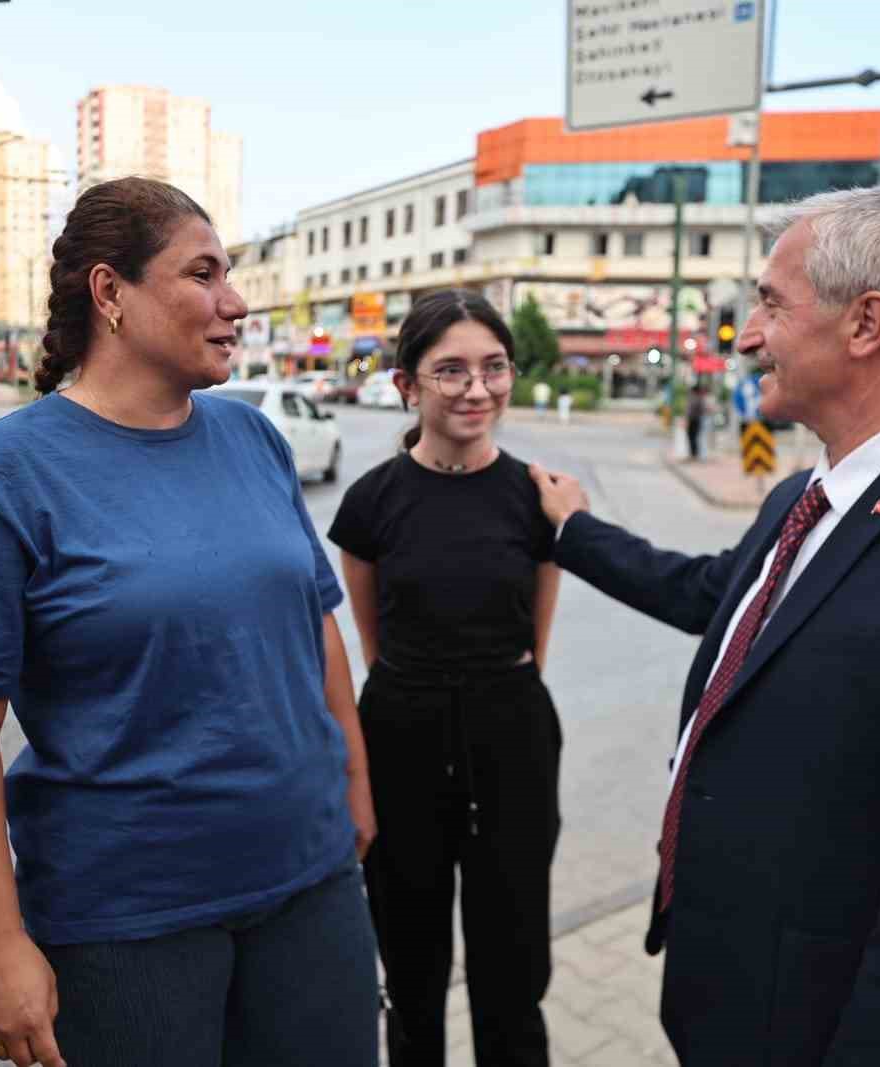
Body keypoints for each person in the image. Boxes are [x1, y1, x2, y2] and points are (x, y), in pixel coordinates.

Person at [528, 187, 880, 1067]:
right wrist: (575, 531)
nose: (747, 335)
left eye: (769, 302)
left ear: (865, 323)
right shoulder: (806, 496)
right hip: (725, 997)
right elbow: (713, 597)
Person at [0, 177, 379, 1067]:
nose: (235, 301)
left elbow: (316, 628)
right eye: (203, 273)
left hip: (310, 882)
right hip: (126, 922)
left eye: (230, 273)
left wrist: (352, 781)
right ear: (110, 292)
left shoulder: (254, 439)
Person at [329, 290, 563, 1067]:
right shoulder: (370, 503)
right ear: (407, 384)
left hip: (513, 740)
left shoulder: (539, 497)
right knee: (412, 966)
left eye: (494, 367)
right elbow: (375, 644)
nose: (477, 388)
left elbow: (535, 640)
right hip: (402, 740)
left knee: (514, 966)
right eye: (451, 370)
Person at [684, 383, 707, 460]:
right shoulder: (700, 398)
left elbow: (689, 411)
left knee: (692, 437)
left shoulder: (693, 398)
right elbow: (703, 410)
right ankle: (694, 454)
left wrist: (686, 420)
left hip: (693, 420)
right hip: (697, 419)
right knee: (694, 437)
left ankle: (693, 455)